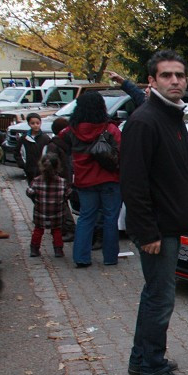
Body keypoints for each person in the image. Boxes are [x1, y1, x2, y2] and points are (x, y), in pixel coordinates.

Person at [120, 50, 188, 375]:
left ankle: (141, 360)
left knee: (154, 294)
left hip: (168, 225)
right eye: (167, 75)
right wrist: (148, 231)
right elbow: (133, 183)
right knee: (161, 297)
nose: (175, 81)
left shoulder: (171, 116)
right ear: (151, 81)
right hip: (157, 230)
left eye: (179, 75)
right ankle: (153, 367)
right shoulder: (145, 120)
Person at [63, 91, 122, 268]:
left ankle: (81, 257)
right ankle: (110, 258)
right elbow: (122, 152)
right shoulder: (109, 129)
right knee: (111, 219)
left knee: (85, 218)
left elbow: (59, 144)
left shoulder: (71, 130)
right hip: (110, 180)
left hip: (84, 181)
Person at [26, 154, 70, 257]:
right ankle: (58, 250)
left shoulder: (37, 181)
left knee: (38, 230)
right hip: (56, 212)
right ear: (57, 166)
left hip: (40, 212)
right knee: (57, 231)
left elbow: (29, 192)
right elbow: (68, 194)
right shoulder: (62, 182)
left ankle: (34, 249)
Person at [45, 117, 75, 242]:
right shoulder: (67, 143)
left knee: (61, 204)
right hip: (67, 177)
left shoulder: (54, 145)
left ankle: (69, 228)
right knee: (62, 203)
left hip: (58, 178)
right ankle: (65, 227)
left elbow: (49, 163)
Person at [16, 113, 51, 185]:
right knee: (31, 187)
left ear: (40, 123)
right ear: (29, 124)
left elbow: (49, 153)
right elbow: (17, 152)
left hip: (42, 169)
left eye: (37, 123)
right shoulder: (24, 138)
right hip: (29, 168)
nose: (35, 125)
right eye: (33, 123)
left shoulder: (45, 138)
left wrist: (46, 165)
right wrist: (22, 164)